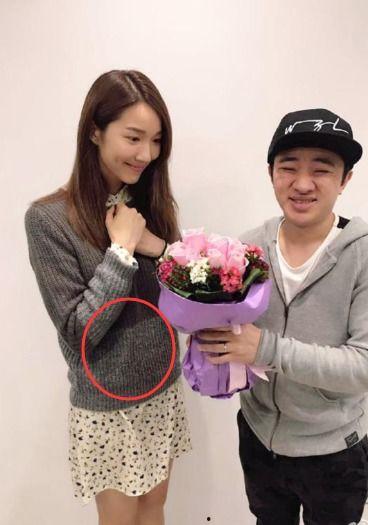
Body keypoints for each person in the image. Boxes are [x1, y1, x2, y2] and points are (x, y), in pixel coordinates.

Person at [197, 108, 368, 525]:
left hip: (334, 452)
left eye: (321, 169)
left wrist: (265, 348)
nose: (303, 184)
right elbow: (233, 334)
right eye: (288, 167)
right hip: (258, 439)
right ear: (271, 173)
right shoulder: (248, 248)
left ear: (345, 179)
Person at [24, 70, 192, 525]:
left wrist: (159, 248)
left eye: (156, 141)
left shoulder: (151, 202)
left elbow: (183, 295)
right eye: (133, 138)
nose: (146, 154)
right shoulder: (48, 220)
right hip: (106, 404)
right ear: (95, 131)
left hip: (162, 387)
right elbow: (79, 331)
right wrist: (121, 252)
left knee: (154, 508)